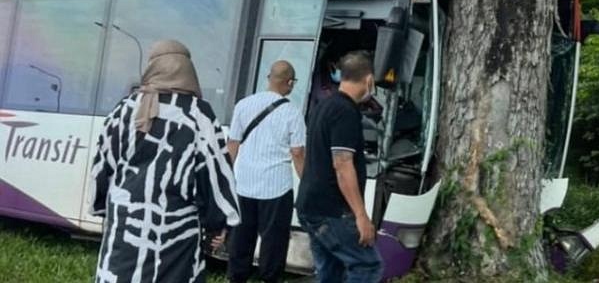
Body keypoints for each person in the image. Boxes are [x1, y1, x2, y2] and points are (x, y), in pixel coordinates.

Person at [89, 40, 240, 283]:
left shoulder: (122, 110)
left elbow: (102, 167)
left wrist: (102, 206)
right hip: (174, 236)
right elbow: (214, 173)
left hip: (123, 228)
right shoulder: (198, 114)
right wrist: (219, 222)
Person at [296, 51, 384, 283]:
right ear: (369, 80)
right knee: (368, 265)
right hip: (331, 210)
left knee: (330, 271)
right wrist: (361, 215)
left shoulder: (324, 106)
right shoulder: (345, 112)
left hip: (311, 205)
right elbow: (342, 164)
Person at [226, 61, 306, 283]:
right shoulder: (292, 112)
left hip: (244, 184)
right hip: (276, 188)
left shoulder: (243, 105)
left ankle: (236, 278)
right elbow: (298, 152)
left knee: (241, 239)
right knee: (273, 243)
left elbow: (233, 144)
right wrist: (307, 184)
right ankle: (270, 279)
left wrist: (225, 179)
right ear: (289, 83)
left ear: (269, 78)